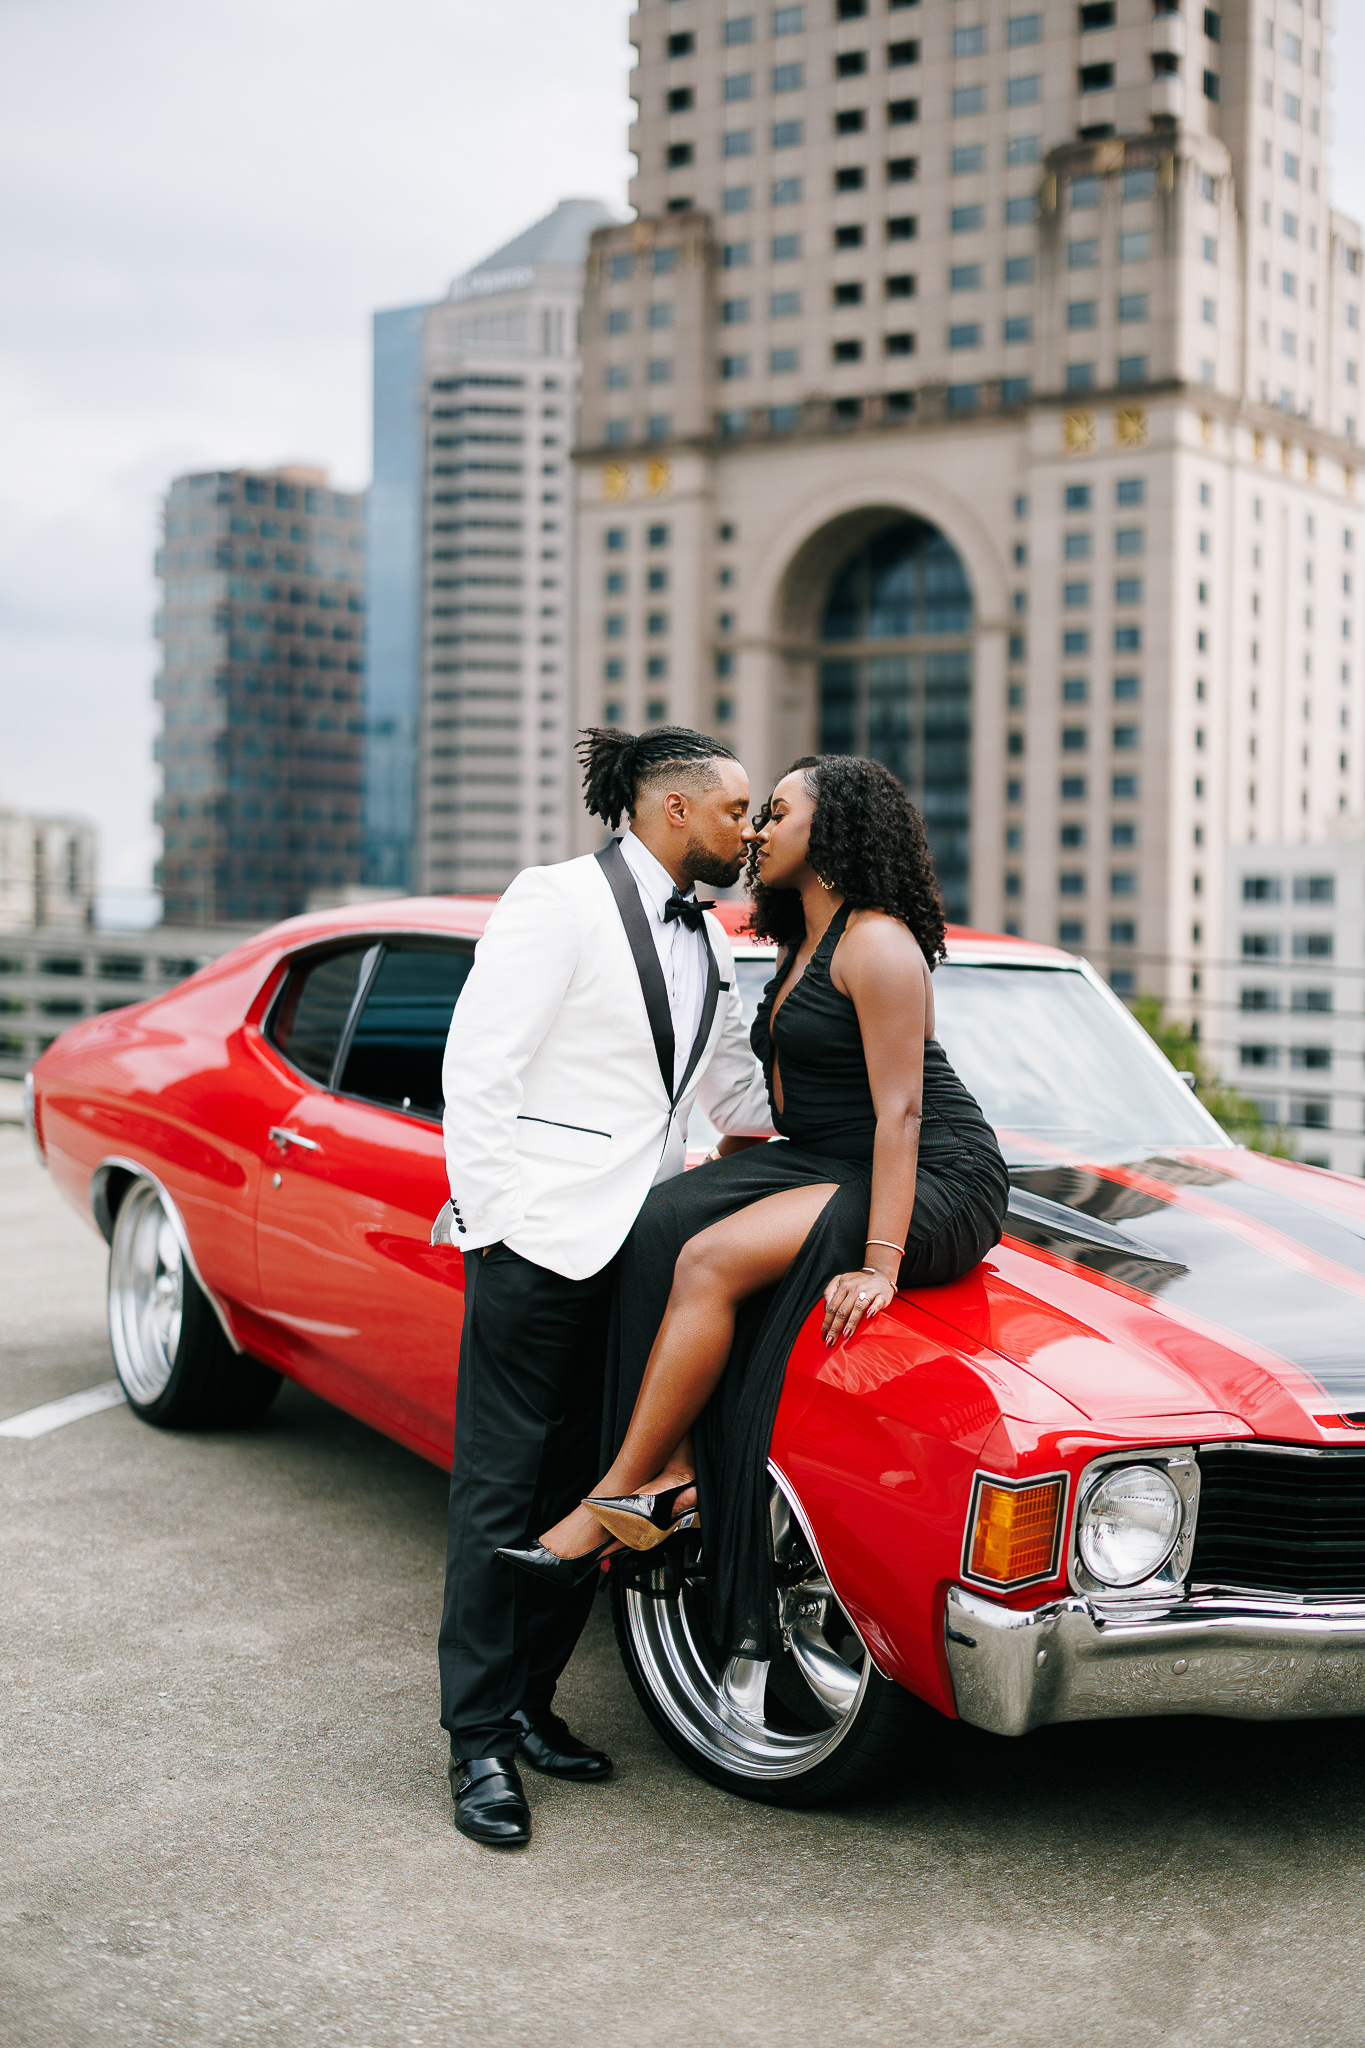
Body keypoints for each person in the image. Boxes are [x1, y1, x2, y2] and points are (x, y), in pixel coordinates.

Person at [530, 754, 1011, 1666]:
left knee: (711, 1262)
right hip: (832, 1159)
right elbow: (793, 1097)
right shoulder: (799, 941)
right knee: (661, 1222)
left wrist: (879, 1262)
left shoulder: (876, 941)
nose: (754, 829)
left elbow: (901, 1111)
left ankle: (615, 1499)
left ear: (827, 835)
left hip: (938, 1174)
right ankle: (675, 1472)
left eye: (775, 812)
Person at [434, 725, 773, 1847]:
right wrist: (496, 1228)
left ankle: (530, 1703)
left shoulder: (717, 938)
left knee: (597, 1490)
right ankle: (475, 1738)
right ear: (674, 809)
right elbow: (479, 1065)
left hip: (644, 1261)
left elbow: (725, 1083)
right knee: (499, 1492)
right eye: (735, 811)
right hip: (537, 1245)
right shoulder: (555, 898)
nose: (750, 829)